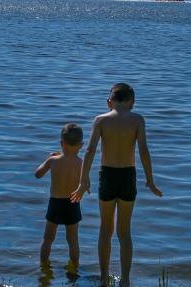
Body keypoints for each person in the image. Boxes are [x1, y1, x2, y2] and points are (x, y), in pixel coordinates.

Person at [70, 83, 163, 287]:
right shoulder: (137, 120)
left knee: (105, 230)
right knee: (124, 232)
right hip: (128, 176)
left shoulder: (101, 120)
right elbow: (143, 150)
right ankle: (126, 280)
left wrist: (83, 180)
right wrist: (150, 180)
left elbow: (89, 151)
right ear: (132, 102)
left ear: (109, 102)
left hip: (108, 176)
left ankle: (104, 279)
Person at [35, 123, 84, 270]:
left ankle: (44, 267)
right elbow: (85, 184)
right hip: (73, 203)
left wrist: (48, 159)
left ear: (61, 143)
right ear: (81, 145)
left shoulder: (53, 161)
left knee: (48, 238)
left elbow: (38, 174)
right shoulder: (81, 163)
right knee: (73, 240)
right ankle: (74, 268)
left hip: (55, 203)